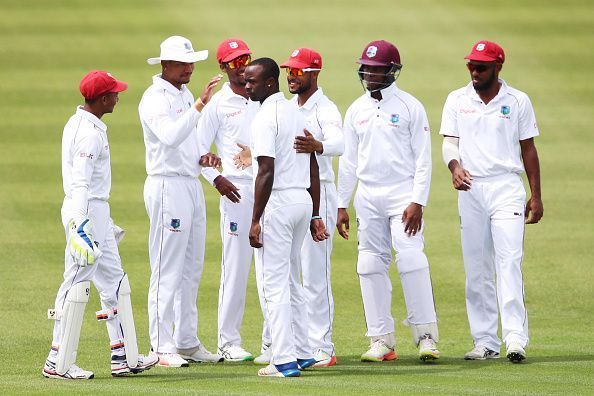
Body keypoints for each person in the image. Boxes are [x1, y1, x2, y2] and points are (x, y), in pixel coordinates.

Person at [43, 70, 159, 379]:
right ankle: (58, 361)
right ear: (104, 98)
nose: (119, 96)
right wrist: (79, 225)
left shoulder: (83, 122)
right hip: (87, 213)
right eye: (115, 93)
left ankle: (123, 356)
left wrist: (100, 221)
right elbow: (80, 184)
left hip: (98, 213)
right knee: (76, 283)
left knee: (115, 282)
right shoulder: (89, 134)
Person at [336, 40, 440, 363]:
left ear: (392, 72)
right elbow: (349, 162)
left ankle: (426, 336)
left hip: (402, 193)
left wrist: (418, 200)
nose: (369, 74)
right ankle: (381, 339)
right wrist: (342, 203)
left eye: (377, 70)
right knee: (368, 264)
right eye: (366, 69)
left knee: (411, 259)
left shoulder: (410, 107)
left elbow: (423, 159)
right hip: (367, 195)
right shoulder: (356, 110)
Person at [440, 40, 543, 363]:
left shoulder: (517, 100)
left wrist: (536, 195)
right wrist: (454, 167)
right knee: (476, 268)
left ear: (498, 67)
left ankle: (515, 338)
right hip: (471, 189)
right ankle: (485, 341)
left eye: (481, 66)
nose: (474, 70)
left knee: (509, 261)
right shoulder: (457, 99)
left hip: (506, 187)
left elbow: (528, 149)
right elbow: (449, 144)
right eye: (471, 64)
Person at [139, 35, 223, 367]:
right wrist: (200, 104)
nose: (190, 68)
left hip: (189, 184)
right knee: (166, 268)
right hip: (166, 186)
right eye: (183, 63)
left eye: (191, 63)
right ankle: (161, 346)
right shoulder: (153, 99)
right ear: (165, 65)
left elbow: (184, 141)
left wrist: (201, 157)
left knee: (192, 268)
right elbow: (171, 135)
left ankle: (186, 340)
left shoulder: (183, 93)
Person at [244, 57, 329, 377]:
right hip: (302, 200)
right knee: (292, 278)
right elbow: (313, 167)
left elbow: (265, 170)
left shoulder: (265, 117)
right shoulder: (297, 112)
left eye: (251, 81)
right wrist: (315, 212)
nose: (247, 86)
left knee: (274, 284)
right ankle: (304, 351)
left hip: (278, 204)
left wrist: (256, 219)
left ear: (269, 82)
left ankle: (282, 359)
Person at [197, 38, 260, 362]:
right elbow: (195, 148)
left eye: (245, 59)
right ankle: (228, 341)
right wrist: (216, 179)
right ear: (223, 67)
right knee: (236, 265)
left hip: (268, 188)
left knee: (272, 265)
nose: (241, 67)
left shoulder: (263, 98)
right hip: (236, 190)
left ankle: (274, 338)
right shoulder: (219, 105)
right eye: (234, 62)